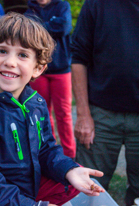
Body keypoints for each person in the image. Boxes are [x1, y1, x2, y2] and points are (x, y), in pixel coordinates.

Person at [0, 13, 105, 206]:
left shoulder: (35, 103)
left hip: (27, 192)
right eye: (2, 51)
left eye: (22, 55)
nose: (10, 62)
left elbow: (45, 149)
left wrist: (68, 169)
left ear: (38, 68)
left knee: (72, 180)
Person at [70, 0, 139, 205]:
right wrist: (83, 115)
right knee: (88, 190)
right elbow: (78, 58)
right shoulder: (97, 3)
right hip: (101, 115)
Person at [25, 0, 76, 159]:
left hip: (61, 69)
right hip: (39, 70)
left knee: (64, 114)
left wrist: (40, 27)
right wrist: (53, 23)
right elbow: (28, 34)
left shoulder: (62, 5)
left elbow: (65, 27)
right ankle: (50, 153)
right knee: (42, 113)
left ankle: (70, 154)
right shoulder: (29, 11)